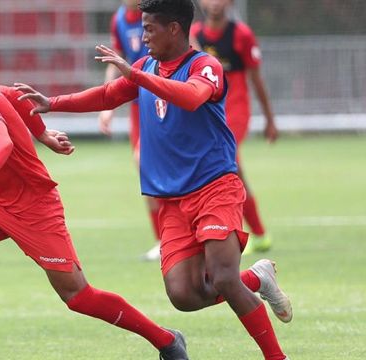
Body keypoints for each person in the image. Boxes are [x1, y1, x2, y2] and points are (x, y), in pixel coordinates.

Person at [15, 0, 292, 359]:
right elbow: (107, 95)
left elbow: (192, 97)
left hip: (215, 187)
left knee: (223, 277)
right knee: (183, 295)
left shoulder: (203, 66)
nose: (142, 36)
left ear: (174, 28)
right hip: (173, 199)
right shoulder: (147, 66)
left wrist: (137, 76)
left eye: (149, 28)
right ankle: (257, 279)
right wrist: (53, 103)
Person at [0, 34, 189, 360]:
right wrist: (42, 135)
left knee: (77, 295)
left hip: (33, 206)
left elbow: (0, 141)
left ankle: (167, 340)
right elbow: (14, 95)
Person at [190, 0, 278, 255]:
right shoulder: (194, 34)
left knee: (229, 166)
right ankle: (254, 234)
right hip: (208, 115)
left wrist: (270, 119)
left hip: (234, 114)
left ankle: (240, 234)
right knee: (228, 171)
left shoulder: (242, 35)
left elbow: (257, 79)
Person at [101, 0, 163, 262]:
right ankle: (163, 241)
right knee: (144, 170)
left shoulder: (158, 12)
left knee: (153, 164)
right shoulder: (119, 20)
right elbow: (116, 61)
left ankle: (184, 234)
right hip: (140, 105)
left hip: (163, 98)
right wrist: (107, 106)